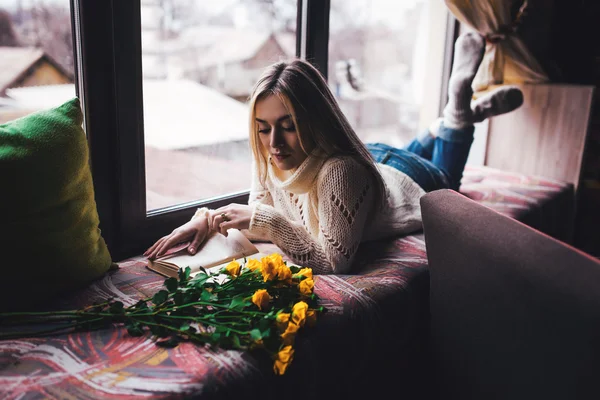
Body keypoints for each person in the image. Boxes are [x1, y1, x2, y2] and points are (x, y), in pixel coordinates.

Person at [144, 32, 523, 274]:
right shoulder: (272, 154)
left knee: (447, 181)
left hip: (406, 178)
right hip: (374, 160)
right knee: (394, 153)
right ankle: (445, 122)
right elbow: (259, 209)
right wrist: (207, 218)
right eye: (263, 128)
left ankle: (458, 113)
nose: (274, 142)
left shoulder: (341, 172)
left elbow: (334, 260)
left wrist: (266, 220)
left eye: (288, 126)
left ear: (315, 121)